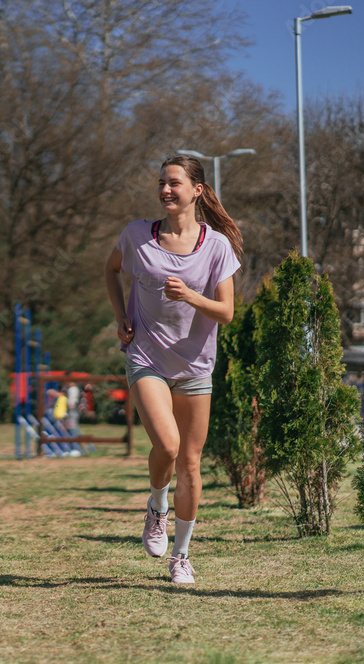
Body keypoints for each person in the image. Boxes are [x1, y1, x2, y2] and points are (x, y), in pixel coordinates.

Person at [104, 154, 242, 584]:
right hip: (146, 358)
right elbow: (111, 271)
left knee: (191, 464)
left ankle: (181, 556)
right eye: (162, 182)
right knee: (167, 445)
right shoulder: (136, 236)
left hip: (196, 366)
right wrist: (119, 316)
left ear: (196, 191)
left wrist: (191, 297)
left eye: (174, 183)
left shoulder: (216, 246)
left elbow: (226, 312)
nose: (165, 189)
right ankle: (156, 505)